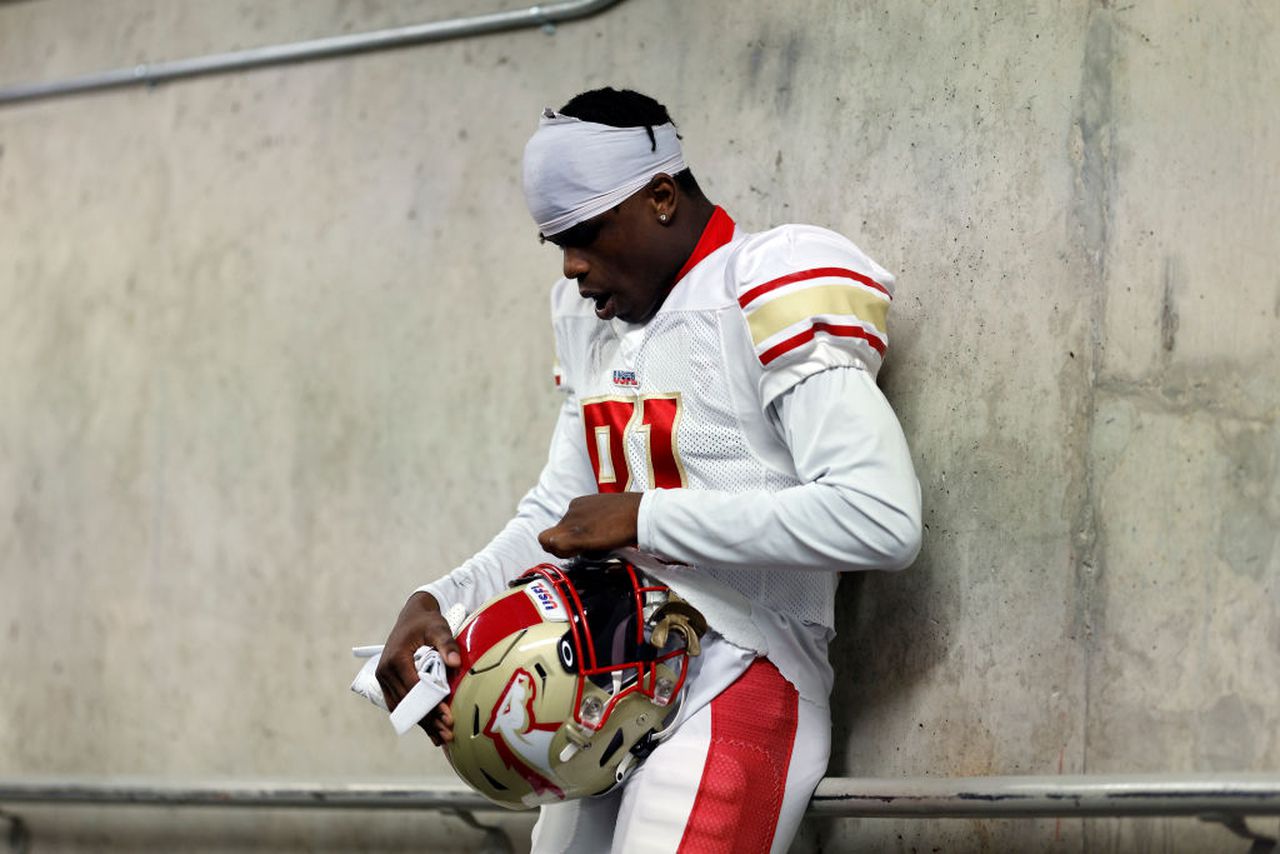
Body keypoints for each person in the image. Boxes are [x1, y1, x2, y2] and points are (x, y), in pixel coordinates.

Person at [376, 87, 922, 853]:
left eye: (588, 233)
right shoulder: (589, 320)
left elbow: (880, 518)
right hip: (602, 692)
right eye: (556, 242)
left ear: (661, 197)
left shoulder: (766, 279)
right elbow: (560, 517)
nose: (572, 266)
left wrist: (645, 516)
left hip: (742, 673)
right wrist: (442, 598)